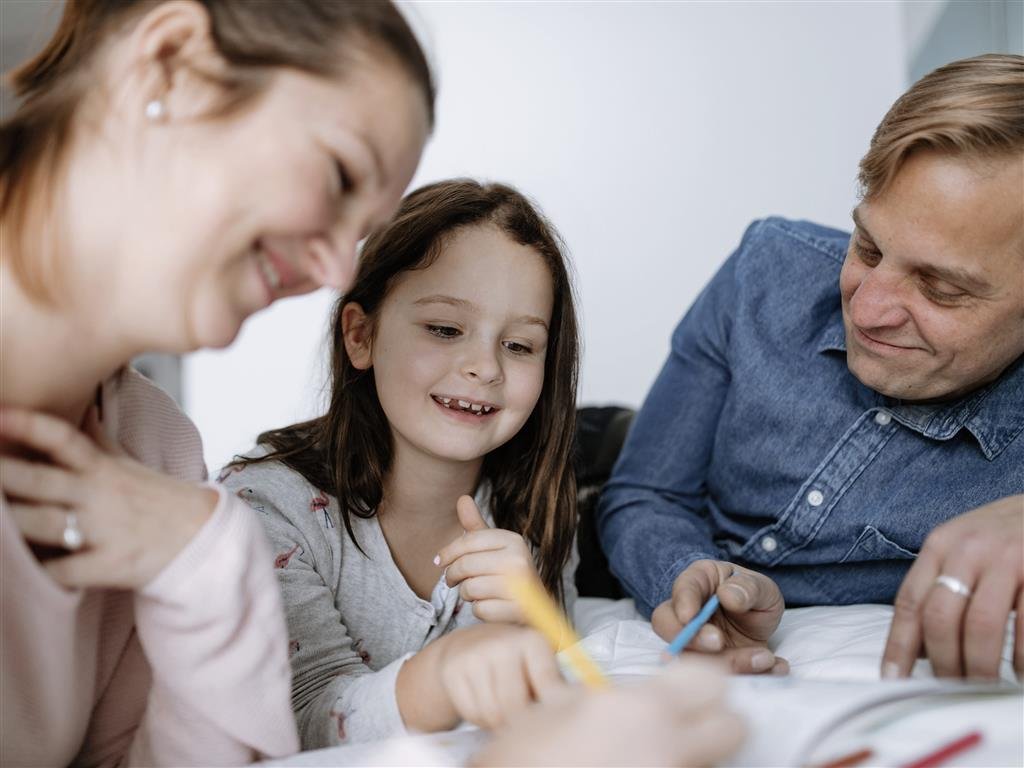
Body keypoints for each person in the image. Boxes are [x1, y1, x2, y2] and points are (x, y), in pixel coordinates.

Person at [0, 0, 433, 764]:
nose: (338, 271)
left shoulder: (157, 451)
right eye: (339, 175)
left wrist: (212, 570)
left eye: (361, 234)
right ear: (171, 63)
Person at [597, 54, 1024, 681]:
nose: (867, 311)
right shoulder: (765, 271)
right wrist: (685, 571)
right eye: (868, 248)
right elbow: (647, 492)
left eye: (940, 289)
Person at [221, 179, 584, 747]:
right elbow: (301, 722)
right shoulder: (265, 508)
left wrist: (532, 620)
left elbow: (566, 690)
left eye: (518, 345)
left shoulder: (537, 505)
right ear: (360, 336)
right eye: (444, 329)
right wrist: (440, 679)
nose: (486, 368)